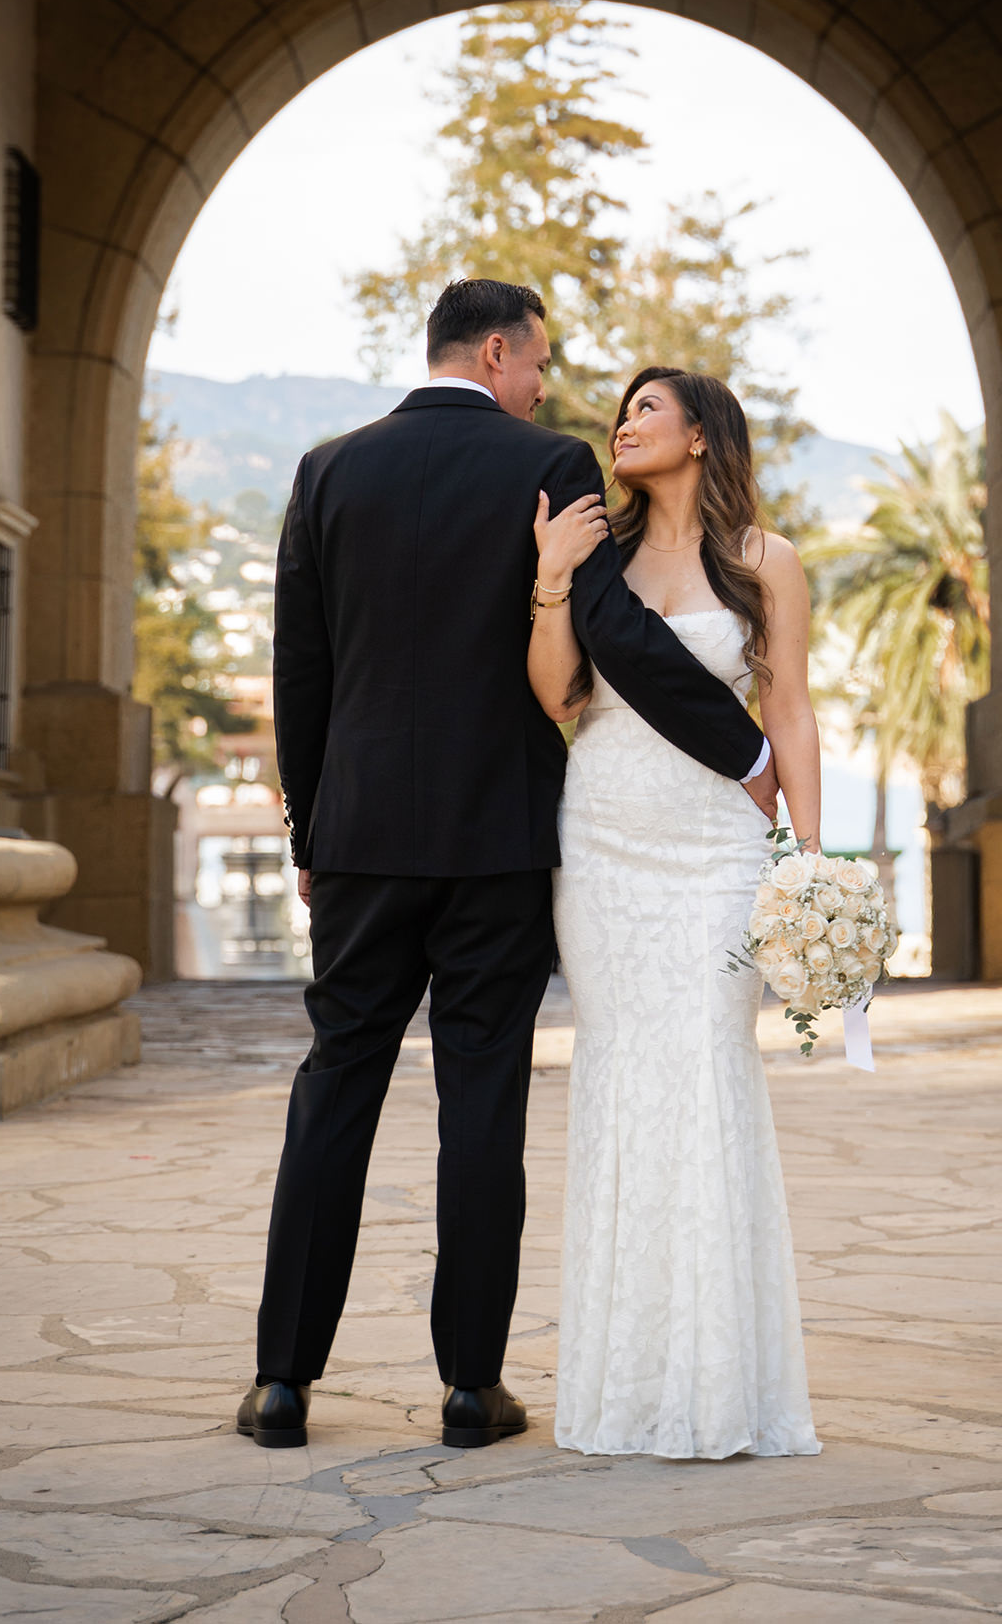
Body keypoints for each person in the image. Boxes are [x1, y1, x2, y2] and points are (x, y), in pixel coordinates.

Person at [240, 278, 779, 1456]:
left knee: (337, 1085)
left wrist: (308, 835)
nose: (542, 383)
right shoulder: (550, 460)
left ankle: (282, 1380)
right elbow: (619, 635)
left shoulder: (326, 470)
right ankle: (471, 1387)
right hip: (496, 844)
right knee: (480, 1100)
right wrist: (742, 743)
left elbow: (302, 671)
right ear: (496, 350)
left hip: (364, 842)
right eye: (536, 361)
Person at [530, 365, 823, 1459]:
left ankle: (718, 1381)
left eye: (648, 406)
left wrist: (809, 857)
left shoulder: (764, 560)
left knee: (704, 1066)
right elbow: (557, 694)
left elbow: (787, 701)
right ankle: (625, 1380)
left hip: (713, 846)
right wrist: (553, 581)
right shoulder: (592, 553)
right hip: (601, 838)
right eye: (621, 408)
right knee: (619, 1075)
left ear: (701, 433)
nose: (623, 420)